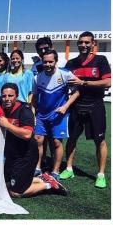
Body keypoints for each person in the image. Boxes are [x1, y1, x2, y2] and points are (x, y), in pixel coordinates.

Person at [61, 31, 111, 188]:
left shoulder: (101, 60)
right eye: (81, 42)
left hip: (95, 104)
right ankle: (69, 168)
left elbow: (108, 82)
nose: (83, 45)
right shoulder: (71, 63)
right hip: (76, 104)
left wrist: (83, 83)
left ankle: (101, 174)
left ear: (93, 44)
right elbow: (65, 82)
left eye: (87, 42)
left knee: (99, 140)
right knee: (72, 138)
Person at [0, 83, 66, 197]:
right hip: (13, 154)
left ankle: (48, 184)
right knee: (4, 184)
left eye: (10, 96)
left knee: (15, 192)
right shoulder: (1, 105)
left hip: (26, 155)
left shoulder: (24, 111)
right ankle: (42, 178)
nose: (7, 99)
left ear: (17, 96)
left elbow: (27, 134)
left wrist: (8, 125)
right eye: (4, 96)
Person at [32, 50, 80, 179]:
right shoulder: (37, 77)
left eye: (50, 62)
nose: (48, 64)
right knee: (38, 140)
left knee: (56, 142)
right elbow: (34, 97)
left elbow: (76, 92)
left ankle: (55, 171)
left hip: (58, 115)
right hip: (41, 115)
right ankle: (37, 167)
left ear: (55, 62)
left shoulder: (65, 74)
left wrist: (65, 107)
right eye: (45, 61)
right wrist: (34, 112)